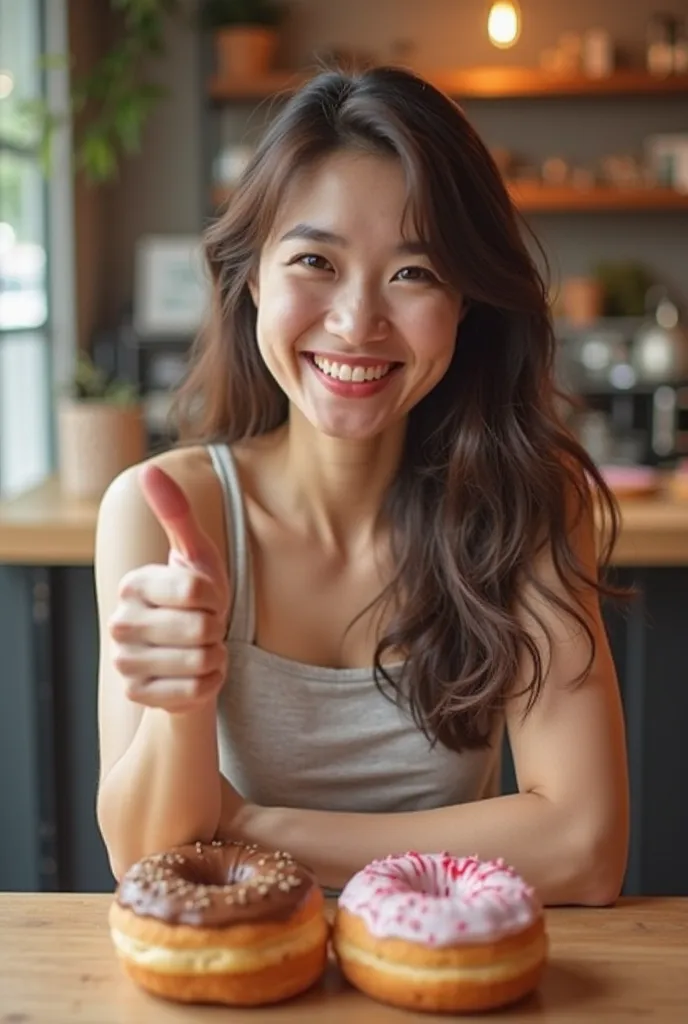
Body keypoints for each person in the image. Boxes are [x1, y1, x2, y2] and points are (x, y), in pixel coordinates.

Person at [95, 65, 629, 904]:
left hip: (449, 980)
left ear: (466, 304)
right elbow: (144, 859)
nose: (356, 321)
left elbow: (586, 847)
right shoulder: (166, 510)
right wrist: (181, 701)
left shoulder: (525, 503)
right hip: (239, 980)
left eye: (413, 273)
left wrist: (249, 828)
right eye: (315, 259)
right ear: (253, 280)